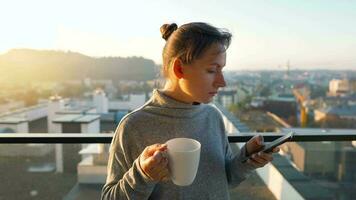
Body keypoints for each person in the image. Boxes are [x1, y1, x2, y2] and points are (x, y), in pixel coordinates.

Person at [101, 22, 279, 200]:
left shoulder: (213, 117)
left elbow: (223, 180)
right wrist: (142, 174)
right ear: (179, 69)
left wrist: (246, 158)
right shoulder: (134, 126)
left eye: (221, 70)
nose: (222, 82)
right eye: (211, 70)